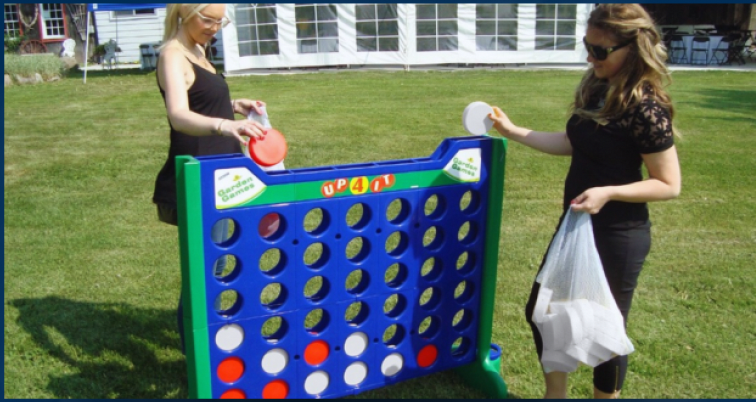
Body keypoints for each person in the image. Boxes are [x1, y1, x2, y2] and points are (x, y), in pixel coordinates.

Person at [488, 4, 681, 399]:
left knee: (604, 328)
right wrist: (513, 131)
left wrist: (609, 192)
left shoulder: (646, 107)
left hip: (618, 232)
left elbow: (668, 183)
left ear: (633, 47)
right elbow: (574, 143)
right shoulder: (596, 85)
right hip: (576, 223)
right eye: (587, 47)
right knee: (542, 312)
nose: (591, 58)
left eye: (601, 51)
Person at [151, 3, 268, 352]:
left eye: (221, 21)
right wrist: (225, 125)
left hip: (224, 173)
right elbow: (179, 115)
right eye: (208, 19)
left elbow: (200, 97)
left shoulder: (198, 49)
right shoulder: (173, 56)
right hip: (199, 177)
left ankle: (212, 343)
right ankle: (200, 357)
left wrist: (234, 105)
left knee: (220, 263)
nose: (215, 27)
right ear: (185, 14)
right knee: (206, 274)